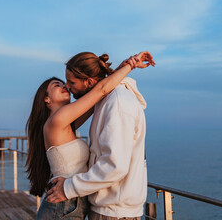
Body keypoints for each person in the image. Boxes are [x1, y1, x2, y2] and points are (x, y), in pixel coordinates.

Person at [26, 51, 154, 219]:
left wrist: (117, 69)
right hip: (63, 204)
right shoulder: (56, 122)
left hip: (72, 202)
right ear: (46, 99)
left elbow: (99, 91)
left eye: (68, 82)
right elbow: (99, 90)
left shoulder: (66, 122)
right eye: (58, 85)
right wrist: (131, 64)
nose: (66, 87)